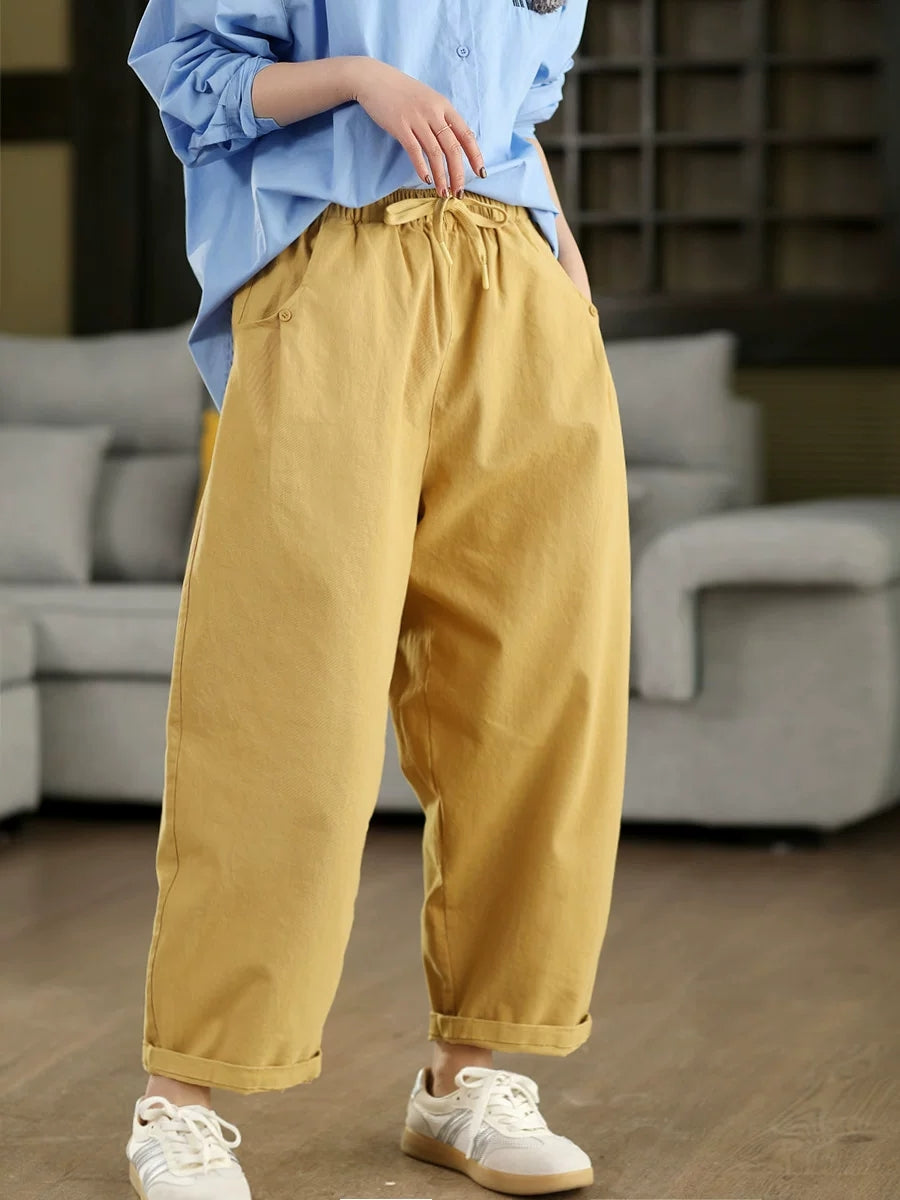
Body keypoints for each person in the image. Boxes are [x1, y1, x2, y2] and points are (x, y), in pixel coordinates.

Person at [125, 1, 631, 1196]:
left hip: (521, 287)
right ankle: (180, 1097)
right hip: (340, 269)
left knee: (534, 698)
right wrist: (359, 77)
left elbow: (518, 114)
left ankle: (470, 1076)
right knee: (282, 698)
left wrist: (565, 268)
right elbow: (190, 73)